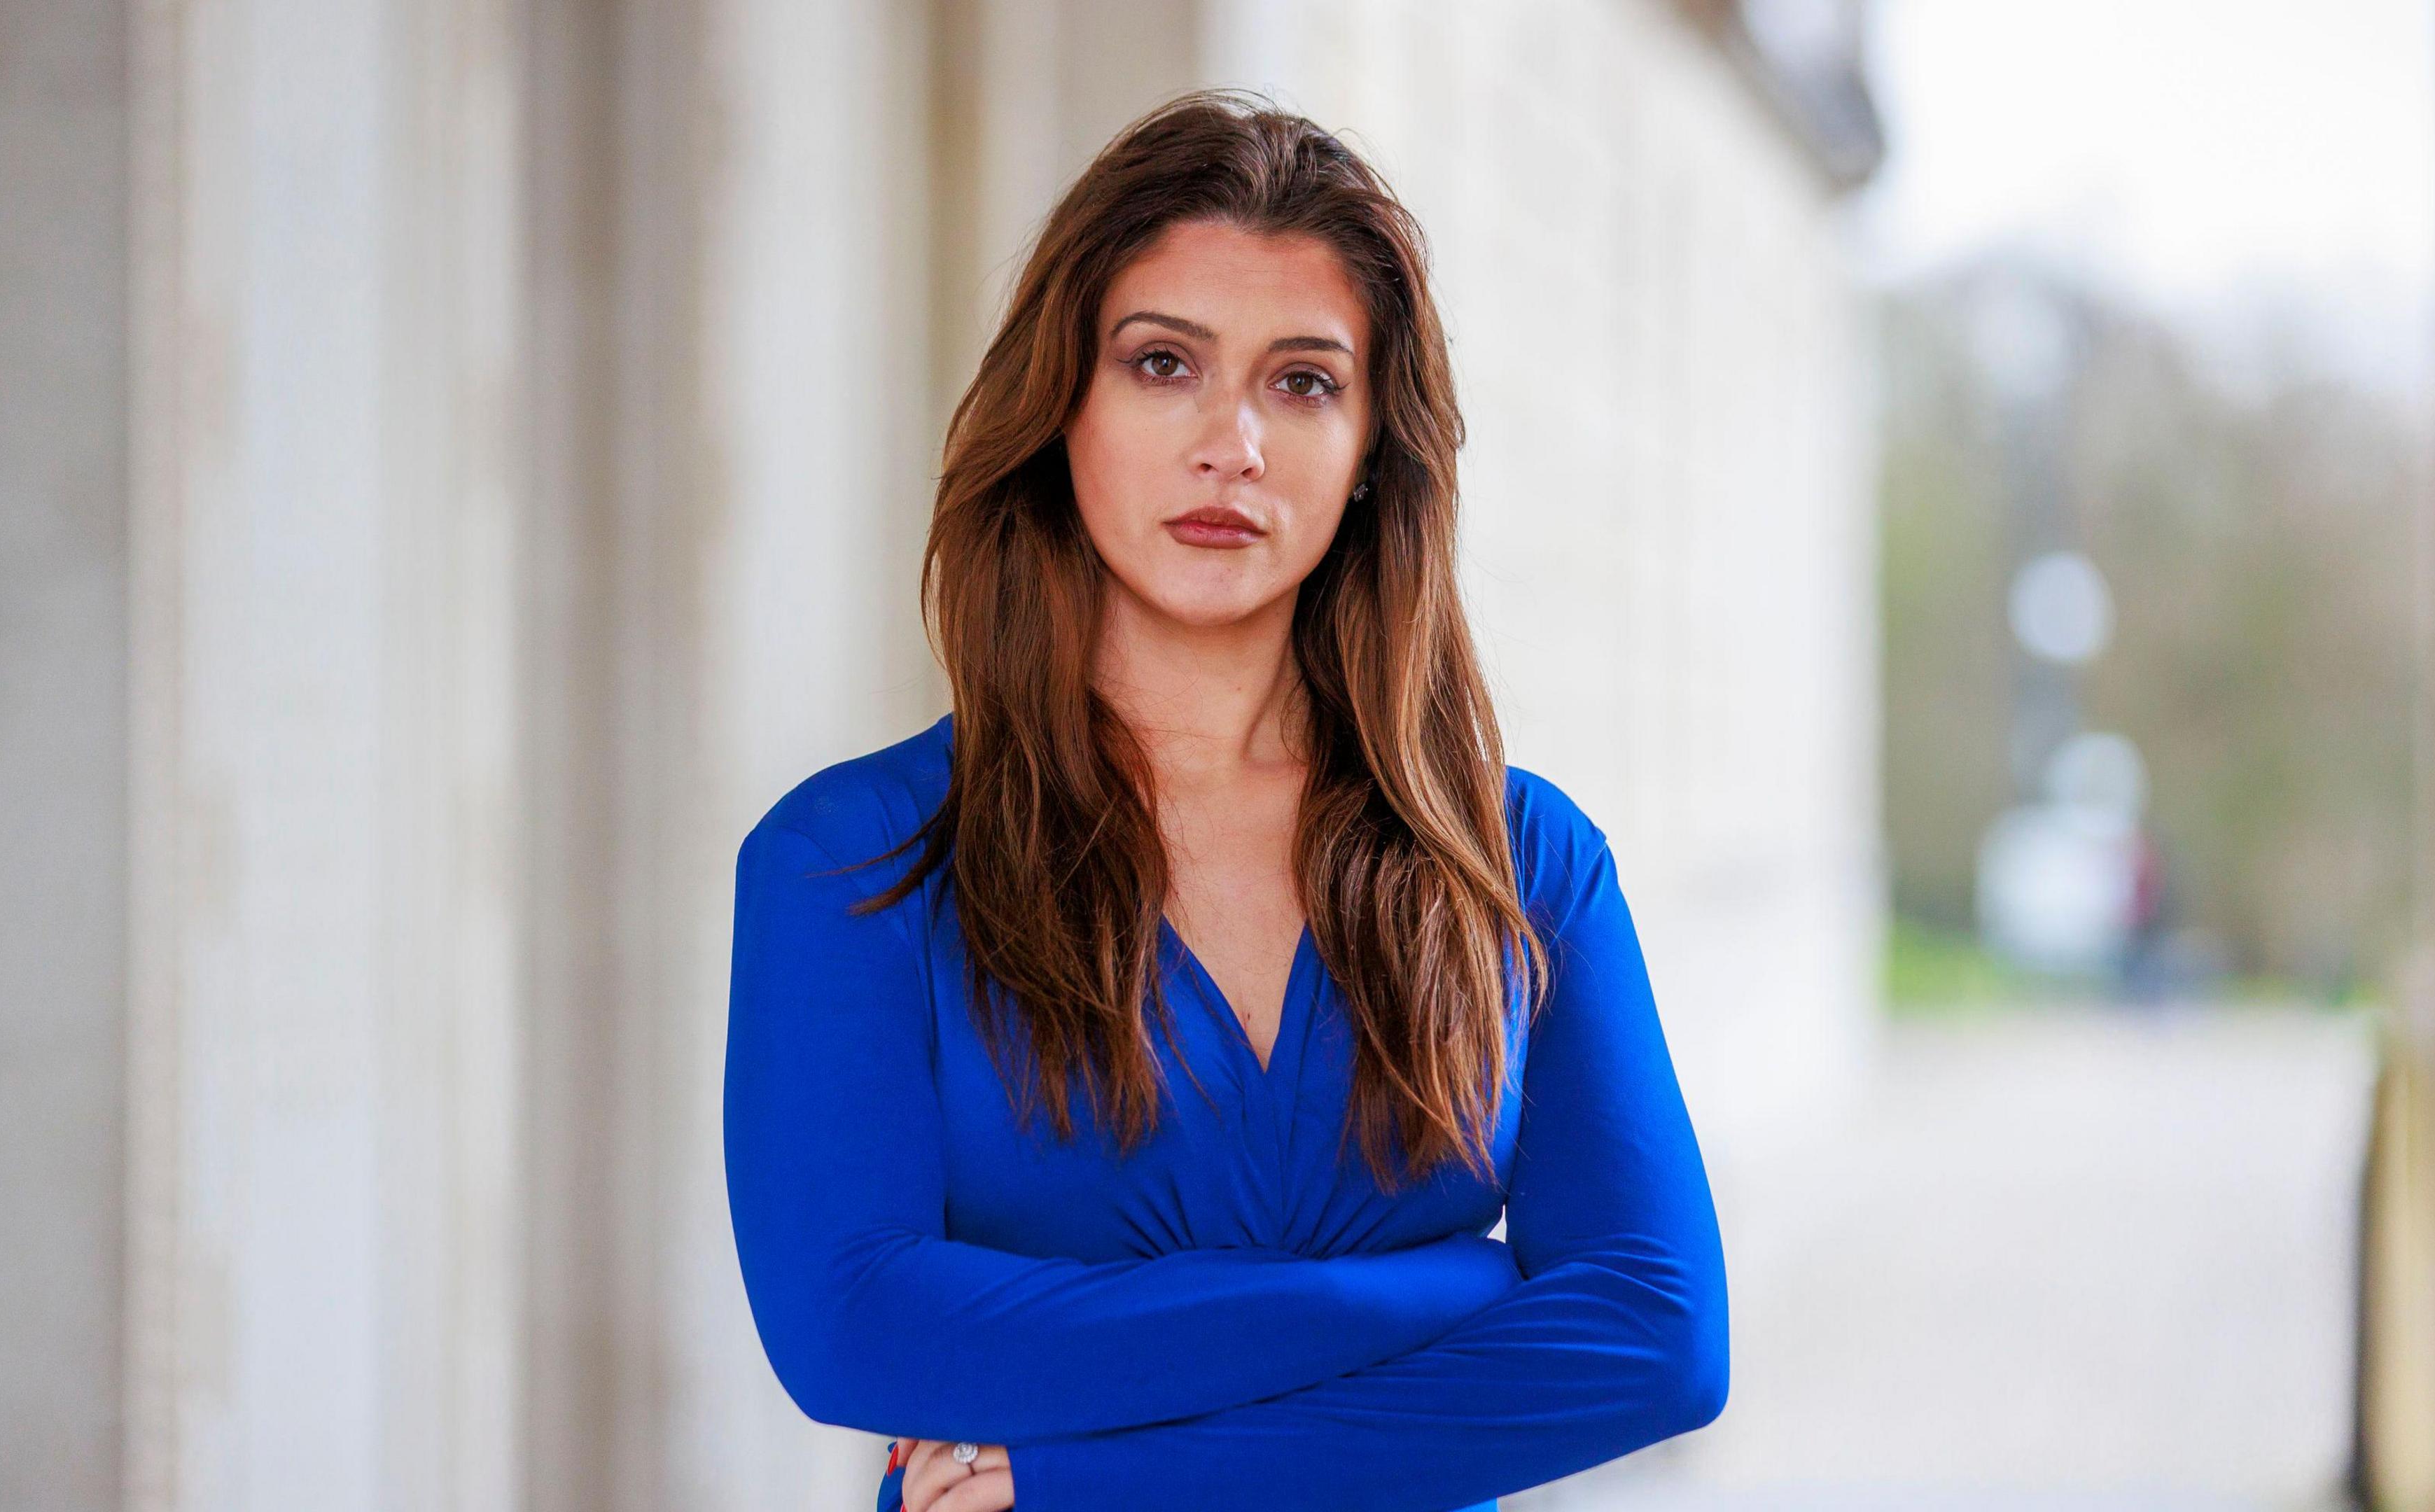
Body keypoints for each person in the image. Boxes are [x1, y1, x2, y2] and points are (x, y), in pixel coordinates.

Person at [723, 88, 1728, 1512]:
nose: (1232, 440)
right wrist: (1444, 1291)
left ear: (1377, 445)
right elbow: (854, 1331)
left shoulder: (1516, 860)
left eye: (1303, 380)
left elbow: (1660, 1341)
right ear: (1061, 405)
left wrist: (1096, 1476)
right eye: (1161, 364)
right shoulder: (856, 863)